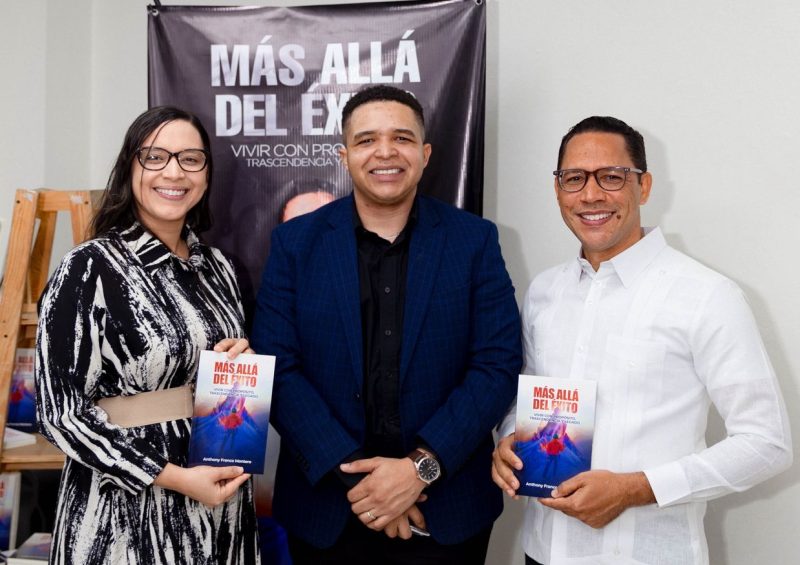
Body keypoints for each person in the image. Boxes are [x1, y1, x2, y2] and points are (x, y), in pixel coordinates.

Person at [492, 116, 793, 565]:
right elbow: (526, 395)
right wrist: (509, 439)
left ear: (644, 186)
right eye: (574, 178)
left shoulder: (708, 296)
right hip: (542, 550)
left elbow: (767, 443)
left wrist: (636, 488)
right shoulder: (544, 292)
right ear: (558, 189)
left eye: (612, 177)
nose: (591, 195)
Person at [252, 84, 522, 564]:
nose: (385, 152)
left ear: (425, 153)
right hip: (327, 511)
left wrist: (418, 470)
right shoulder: (295, 244)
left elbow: (496, 364)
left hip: (446, 512)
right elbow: (278, 368)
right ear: (344, 155)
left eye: (401, 138)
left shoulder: (474, 241)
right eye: (366, 140)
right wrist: (368, 486)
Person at [35, 106, 260, 564]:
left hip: (220, 500)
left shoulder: (222, 269)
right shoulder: (89, 268)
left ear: (206, 174)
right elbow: (60, 414)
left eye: (190, 159)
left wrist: (243, 360)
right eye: (155, 157)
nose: (174, 172)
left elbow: (229, 383)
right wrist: (174, 477)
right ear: (130, 167)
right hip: (125, 509)